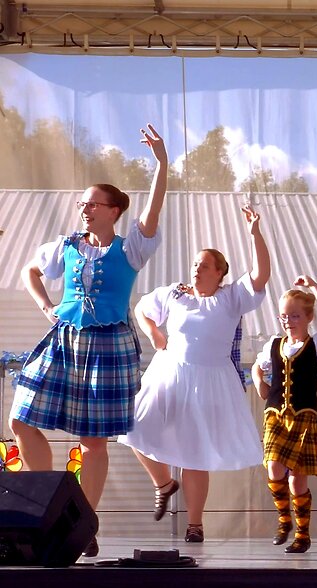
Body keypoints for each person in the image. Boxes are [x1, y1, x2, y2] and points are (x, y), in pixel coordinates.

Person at [8, 125, 168, 558]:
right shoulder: (67, 245)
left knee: (93, 440)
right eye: (82, 203)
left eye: (92, 203)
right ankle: (42, 506)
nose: (84, 208)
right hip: (64, 336)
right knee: (21, 418)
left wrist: (162, 164)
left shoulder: (131, 248)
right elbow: (31, 272)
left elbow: (152, 212)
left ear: (113, 210)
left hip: (108, 345)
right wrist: (46, 307)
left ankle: (83, 523)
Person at [120, 205, 271, 544]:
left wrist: (255, 234)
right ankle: (163, 483)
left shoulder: (231, 298)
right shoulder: (175, 293)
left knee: (195, 452)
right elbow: (143, 308)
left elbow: (261, 276)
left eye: (204, 266)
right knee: (132, 424)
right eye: (195, 265)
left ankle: (195, 524)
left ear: (220, 273)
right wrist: (154, 333)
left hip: (210, 380)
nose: (197, 270)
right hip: (170, 371)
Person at [250, 276, 317, 554]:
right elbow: (257, 367)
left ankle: (302, 533)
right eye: (284, 316)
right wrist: (260, 384)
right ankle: (283, 520)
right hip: (275, 414)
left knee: (296, 479)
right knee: (274, 466)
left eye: (295, 315)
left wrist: (313, 286)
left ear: (308, 317)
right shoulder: (274, 345)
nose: (289, 321)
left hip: (303, 417)